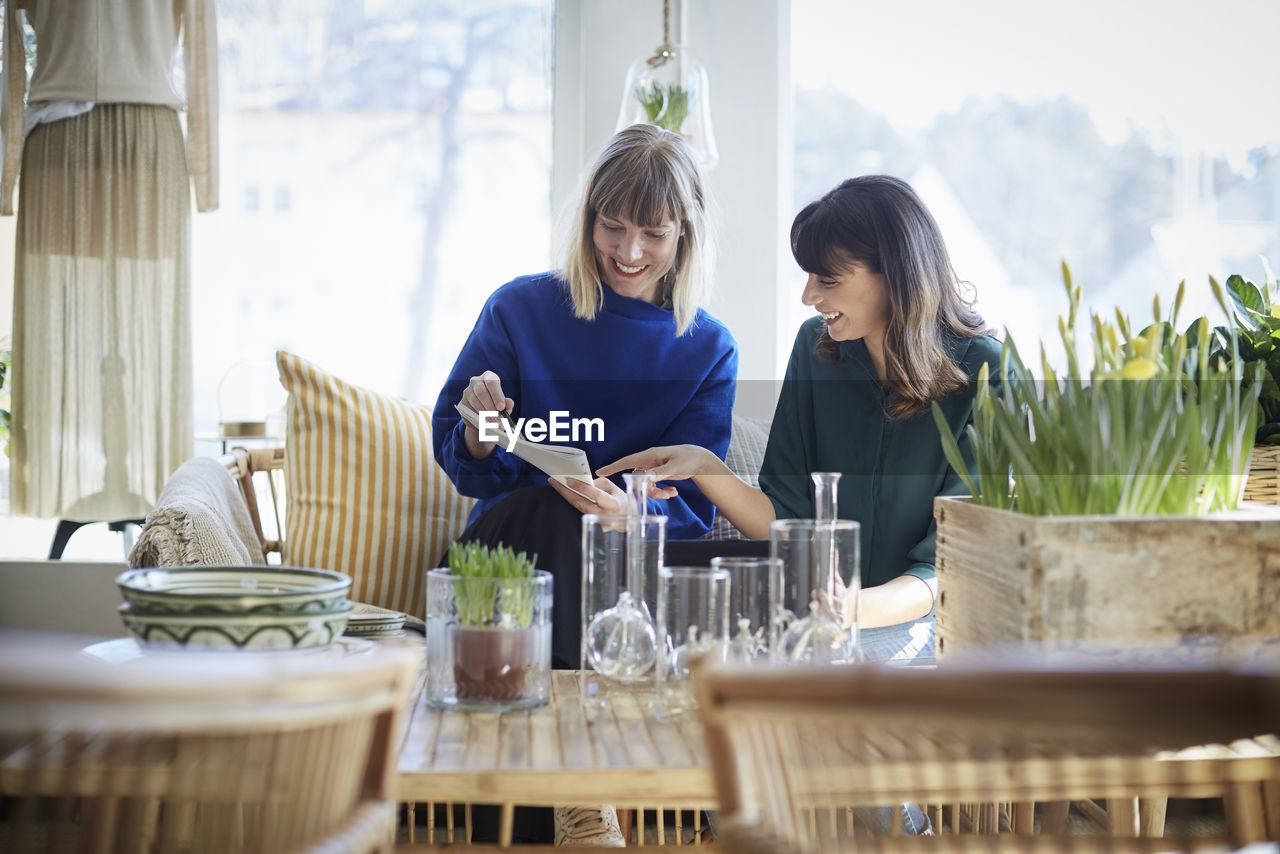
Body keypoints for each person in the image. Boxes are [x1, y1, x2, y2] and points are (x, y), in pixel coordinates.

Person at [431, 123, 737, 846]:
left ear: (684, 235)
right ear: (589, 219)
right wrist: (480, 426)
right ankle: (580, 791)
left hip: (629, 573)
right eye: (613, 226)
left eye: (653, 234)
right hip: (510, 561)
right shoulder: (521, 308)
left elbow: (692, 509)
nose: (629, 252)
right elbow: (464, 454)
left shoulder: (708, 347)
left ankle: (568, 800)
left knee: (591, 528)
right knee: (550, 508)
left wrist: (628, 516)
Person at [601, 174, 1000, 667]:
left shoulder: (986, 371)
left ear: (895, 275)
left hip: (928, 626)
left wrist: (853, 609)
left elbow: (951, 565)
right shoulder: (818, 349)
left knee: (796, 672)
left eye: (828, 280)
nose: (809, 296)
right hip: (822, 626)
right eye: (809, 276)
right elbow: (782, 518)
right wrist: (703, 465)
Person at [2, 0, 217, 526]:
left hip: (144, 140)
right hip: (60, 141)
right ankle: (78, 482)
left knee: (147, 315)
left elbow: (202, 44)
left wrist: (205, 173)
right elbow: (8, 37)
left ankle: (153, 491)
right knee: (67, 316)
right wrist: (7, 164)